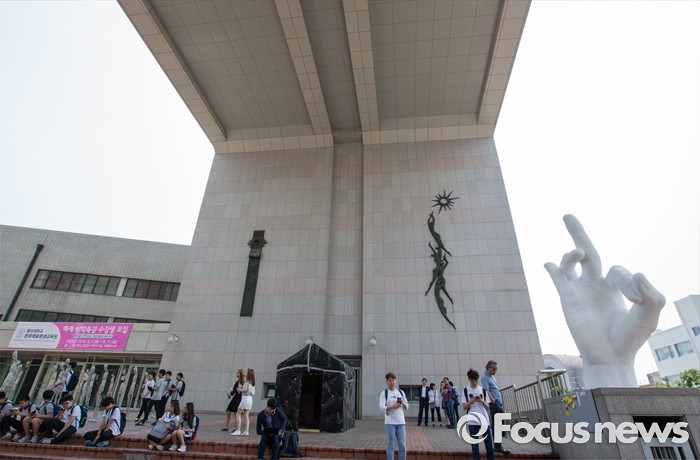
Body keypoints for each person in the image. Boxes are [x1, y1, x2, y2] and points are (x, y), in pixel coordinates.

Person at [462, 369, 494, 460]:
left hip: (484, 420)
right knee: (475, 447)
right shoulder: (465, 390)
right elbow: (464, 407)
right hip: (472, 421)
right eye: (472, 380)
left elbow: (488, 407)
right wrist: (471, 401)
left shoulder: (483, 390)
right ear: (469, 379)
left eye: (475, 380)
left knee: (489, 445)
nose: (474, 382)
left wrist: (482, 401)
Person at [481, 361, 511, 455]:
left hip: (498, 402)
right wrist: (493, 400)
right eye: (494, 369)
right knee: (497, 423)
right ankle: (498, 446)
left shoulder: (491, 376)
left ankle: (498, 445)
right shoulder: (484, 377)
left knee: (499, 422)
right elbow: (486, 390)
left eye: (496, 369)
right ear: (488, 368)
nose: (495, 371)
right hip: (494, 403)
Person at [379, 371, 408, 460]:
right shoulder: (384, 393)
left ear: (396, 381)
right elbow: (382, 408)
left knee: (402, 446)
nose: (392, 382)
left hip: (400, 422)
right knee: (391, 445)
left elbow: (407, 406)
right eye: (390, 380)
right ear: (387, 382)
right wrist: (393, 406)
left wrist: (402, 403)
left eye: (393, 380)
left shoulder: (401, 392)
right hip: (390, 423)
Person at [231, 368, 255, 436]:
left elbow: (244, 389)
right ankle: (246, 431)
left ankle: (238, 430)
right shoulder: (253, 381)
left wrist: (239, 389)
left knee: (238, 414)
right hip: (250, 399)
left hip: (245, 398)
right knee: (246, 415)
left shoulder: (247, 381)